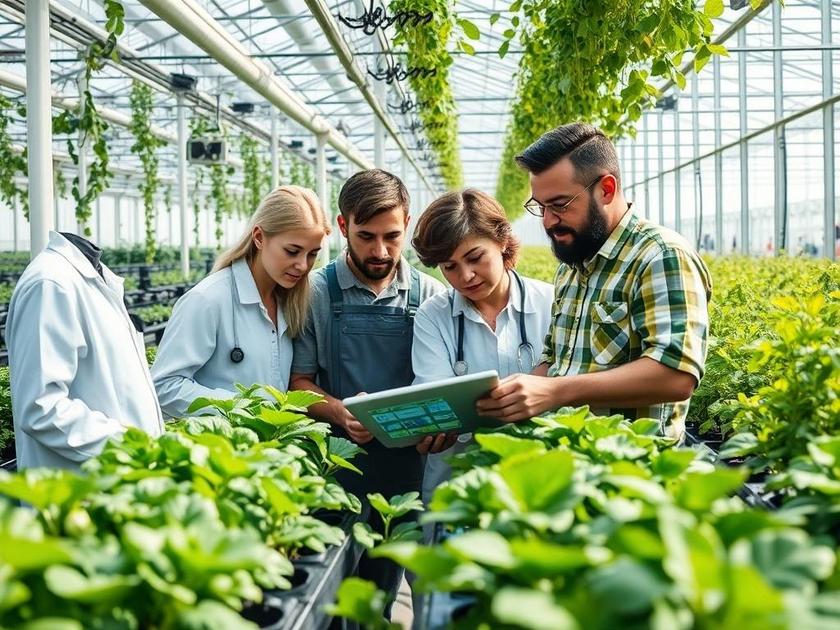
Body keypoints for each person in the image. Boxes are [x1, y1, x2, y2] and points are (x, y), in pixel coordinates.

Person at [477, 123, 712, 441]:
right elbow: (557, 361)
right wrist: (512, 395)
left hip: (633, 470)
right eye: (540, 207)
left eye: (560, 205)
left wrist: (556, 391)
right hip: (575, 461)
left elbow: (675, 375)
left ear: (606, 189)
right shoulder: (573, 266)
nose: (548, 221)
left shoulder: (659, 255)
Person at [289, 169, 445, 609]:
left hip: (411, 470)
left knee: (407, 586)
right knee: (343, 597)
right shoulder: (315, 293)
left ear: (408, 224)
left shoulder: (430, 296)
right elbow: (297, 382)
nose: (380, 251)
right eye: (365, 236)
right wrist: (339, 412)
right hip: (340, 468)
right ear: (343, 227)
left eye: (392, 236)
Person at [410, 188, 554, 498]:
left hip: (536, 479)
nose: (466, 276)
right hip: (458, 485)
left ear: (501, 241)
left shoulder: (552, 303)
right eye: (449, 267)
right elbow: (437, 399)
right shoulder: (433, 316)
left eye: (475, 258)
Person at [152, 185, 329, 417]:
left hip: (270, 449)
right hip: (221, 448)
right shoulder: (207, 300)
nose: (303, 265)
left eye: (312, 254)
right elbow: (164, 386)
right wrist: (246, 410)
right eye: (292, 251)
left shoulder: (292, 301)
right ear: (259, 238)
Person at [6, 231, 164, 470]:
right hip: (81, 490)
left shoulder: (92, 280)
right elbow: (41, 407)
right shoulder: (50, 284)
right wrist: (131, 444)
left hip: (119, 479)